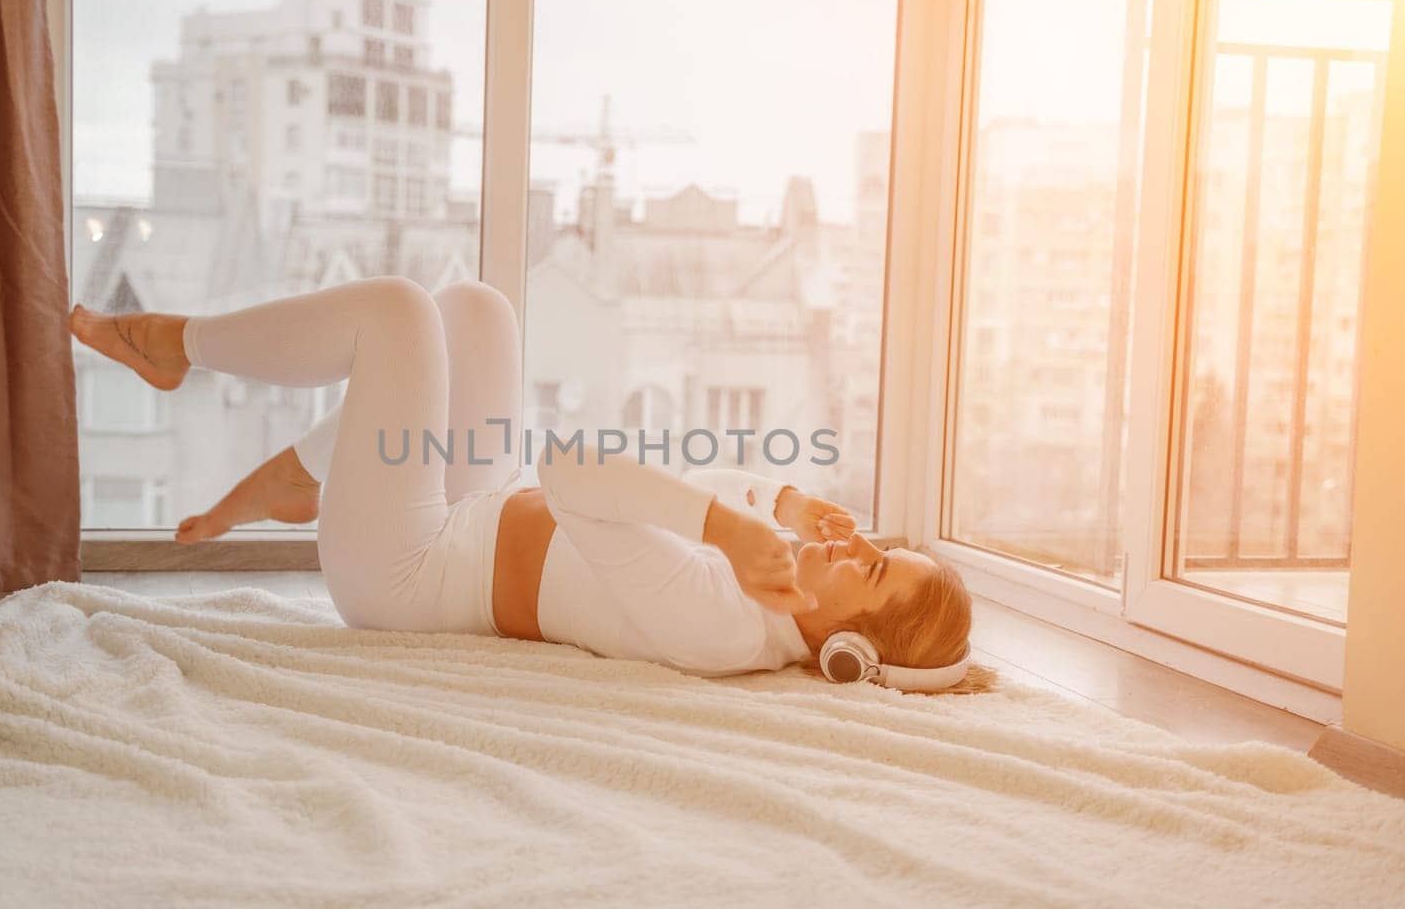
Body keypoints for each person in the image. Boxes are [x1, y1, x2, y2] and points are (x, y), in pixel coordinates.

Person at [69, 276, 984, 689]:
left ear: (846, 654)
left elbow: (575, 469)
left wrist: (732, 526)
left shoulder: (720, 623)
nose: (856, 541)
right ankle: (307, 476)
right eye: (879, 546)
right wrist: (773, 505)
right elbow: (695, 487)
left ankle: (172, 346)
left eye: (867, 570)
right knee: (475, 309)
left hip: (408, 574)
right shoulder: (766, 577)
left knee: (395, 313)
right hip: (477, 505)